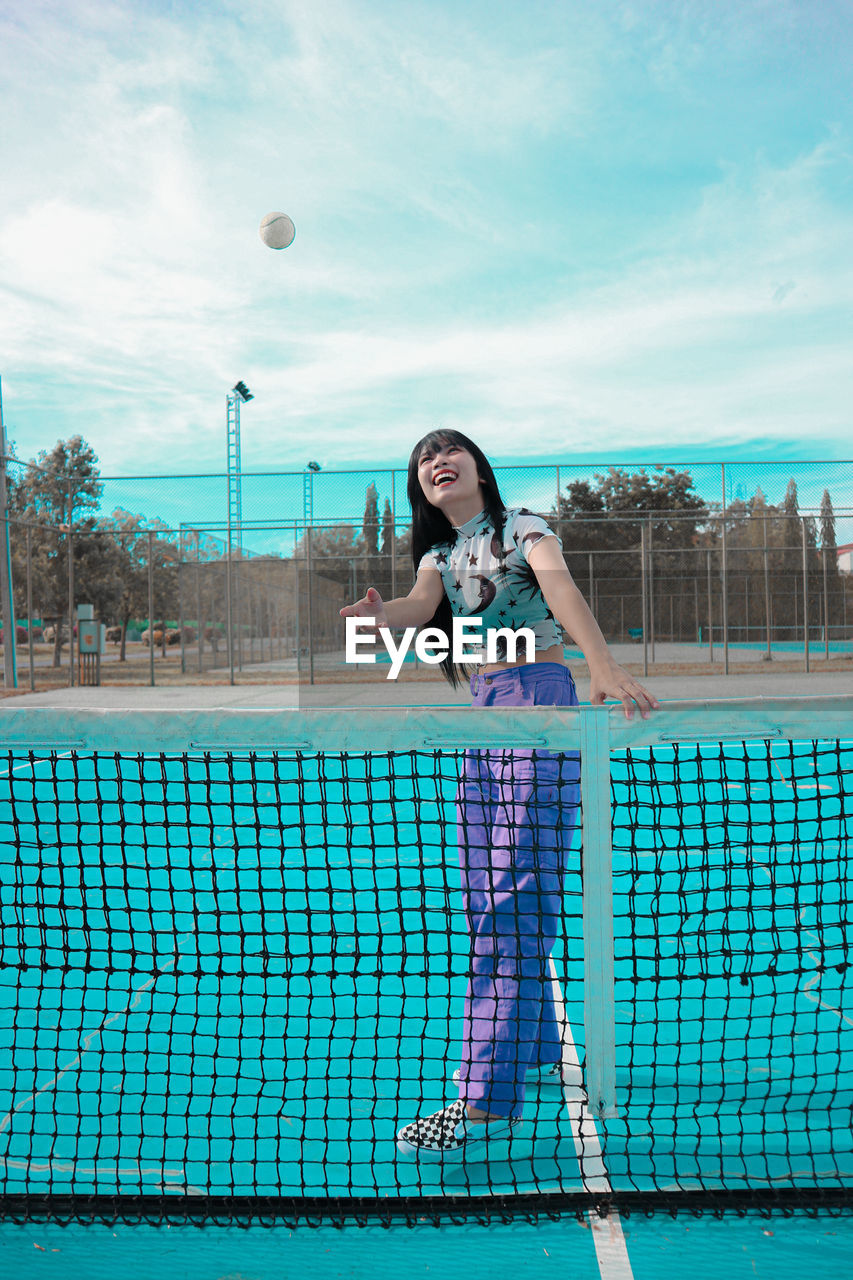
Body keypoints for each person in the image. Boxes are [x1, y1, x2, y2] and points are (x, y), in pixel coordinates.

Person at [340, 430, 659, 1161]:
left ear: (479, 467)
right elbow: (420, 608)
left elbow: (559, 588)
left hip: (539, 702)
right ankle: (537, 1044)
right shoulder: (436, 557)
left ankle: (484, 1098)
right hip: (484, 711)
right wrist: (377, 615)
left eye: (448, 451)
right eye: (422, 459)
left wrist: (600, 666)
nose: (434, 461)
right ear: (419, 485)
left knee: (510, 898)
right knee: (486, 892)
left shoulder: (523, 528)